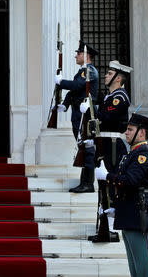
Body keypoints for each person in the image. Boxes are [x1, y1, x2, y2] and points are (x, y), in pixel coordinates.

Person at [96, 113, 148, 277]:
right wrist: (116, 208)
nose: (126, 132)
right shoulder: (131, 154)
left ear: (142, 133)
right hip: (131, 214)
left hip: (141, 215)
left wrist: (107, 176)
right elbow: (128, 187)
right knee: (135, 270)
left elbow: (130, 181)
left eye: (130, 130)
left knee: (144, 270)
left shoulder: (143, 154)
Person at [83, 60, 132, 242]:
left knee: (111, 182)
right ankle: (105, 226)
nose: (105, 75)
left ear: (118, 78)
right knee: (104, 184)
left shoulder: (120, 96)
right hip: (104, 142)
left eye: (109, 74)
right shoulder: (108, 97)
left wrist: (93, 109)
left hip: (112, 144)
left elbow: (107, 116)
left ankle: (111, 227)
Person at [55, 40, 99, 193]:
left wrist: (61, 82)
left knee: (88, 148)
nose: (75, 56)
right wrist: (65, 104)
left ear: (86, 56)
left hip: (86, 115)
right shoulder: (82, 71)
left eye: (79, 53)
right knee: (83, 147)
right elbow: (75, 91)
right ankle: (84, 182)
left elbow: (76, 86)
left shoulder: (89, 71)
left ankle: (88, 183)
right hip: (78, 114)